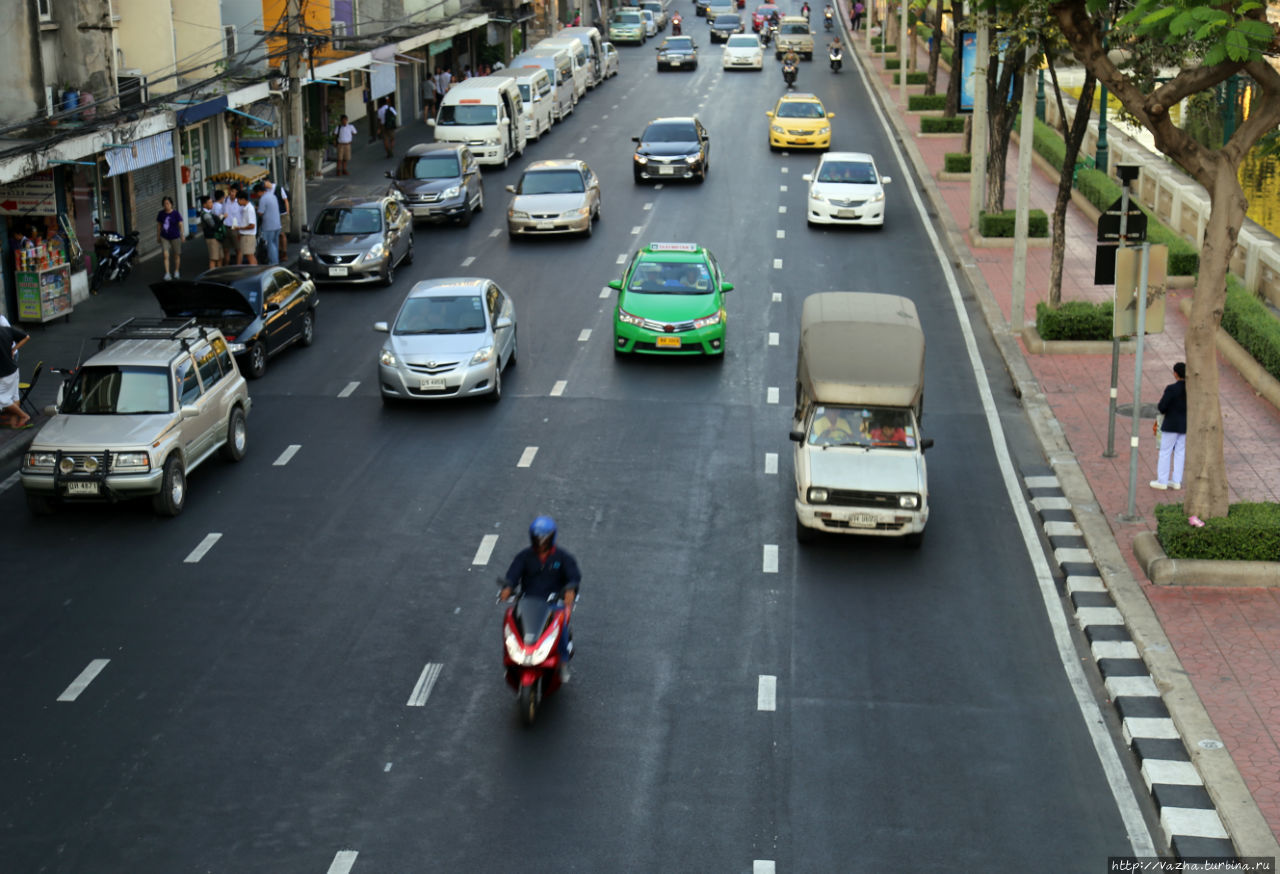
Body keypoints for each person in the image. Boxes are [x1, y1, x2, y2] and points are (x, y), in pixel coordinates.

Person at [498, 516, 581, 682]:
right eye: (538, 538)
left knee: (561, 624)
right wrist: (508, 587)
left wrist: (570, 589)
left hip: (554, 603)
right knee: (511, 624)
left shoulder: (563, 558)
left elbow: (574, 576)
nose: (541, 542)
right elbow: (513, 574)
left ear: (552, 538)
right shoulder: (524, 557)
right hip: (529, 602)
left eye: (545, 538)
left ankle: (563, 662)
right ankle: (511, 661)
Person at [1151, 361, 1187, 490]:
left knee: (1165, 452)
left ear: (1175, 374)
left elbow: (1162, 407)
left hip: (1171, 424)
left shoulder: (1171, 389)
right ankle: (1176, 480)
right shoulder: (1191, 389)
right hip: (1185, 425)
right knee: (1180, 452)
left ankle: (1162, 481)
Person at [0, 321, 32, 429]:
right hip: (13, 369)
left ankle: (24, 416)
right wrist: (14, 350)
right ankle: (14, 423)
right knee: (14, 396)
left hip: (3, 373)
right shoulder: (7, 330)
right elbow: (26, 337)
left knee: (2, 399)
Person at [253, 181, 282, 265]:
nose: (257, 196)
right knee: (275, 244)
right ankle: (276, 261)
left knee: (270, 245)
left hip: (269, 226)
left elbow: (260, 212)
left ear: (259, 191)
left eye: (256, 193)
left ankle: (273, 262)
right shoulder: (272, 196)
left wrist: (256, 209)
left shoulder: (263, 199)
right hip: (277, 224)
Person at [156, 196, 184, 280]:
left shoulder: (175, 213)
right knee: (165, 255)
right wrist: (158, 236)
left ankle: (176, 271)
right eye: (164, 204)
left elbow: (180, 224)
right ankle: (167, 273)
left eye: (168, 203)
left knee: (177, 255)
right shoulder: (161, 214)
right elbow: (159, 225)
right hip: (165, 237)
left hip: (175, 236)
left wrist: (182, 235)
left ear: (171, 204)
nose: (166, 205)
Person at [197, 194, 224, 271]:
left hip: (216, 237)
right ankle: (212, 275)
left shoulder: (209, 213)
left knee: (219, 257)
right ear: (204, 204)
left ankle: (219, 274)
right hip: (211, 238)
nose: (211, 204)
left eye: (212, 202)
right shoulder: (205, 215)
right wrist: (221, 218)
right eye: (209, 202)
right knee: (213, 258)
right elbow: (213, 226)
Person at [233, 190, 257, 265]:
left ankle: (255, 272)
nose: (237, 202)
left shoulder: (249, 209)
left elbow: (252, 225)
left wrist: (239, 228)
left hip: (248, 236)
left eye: (238, 200)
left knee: (249, 256)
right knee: (249, 255)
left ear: (243, 199)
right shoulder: (246, 208)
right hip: (246, 235)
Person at [273, 179, 290, 260]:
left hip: (282, 214)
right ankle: (279, 251)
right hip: (274, 215)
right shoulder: (267, 191)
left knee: (282, 233)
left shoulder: (278, 189)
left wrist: (287, 213)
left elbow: (285, 200)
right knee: (278, 234)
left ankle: (284, 252)